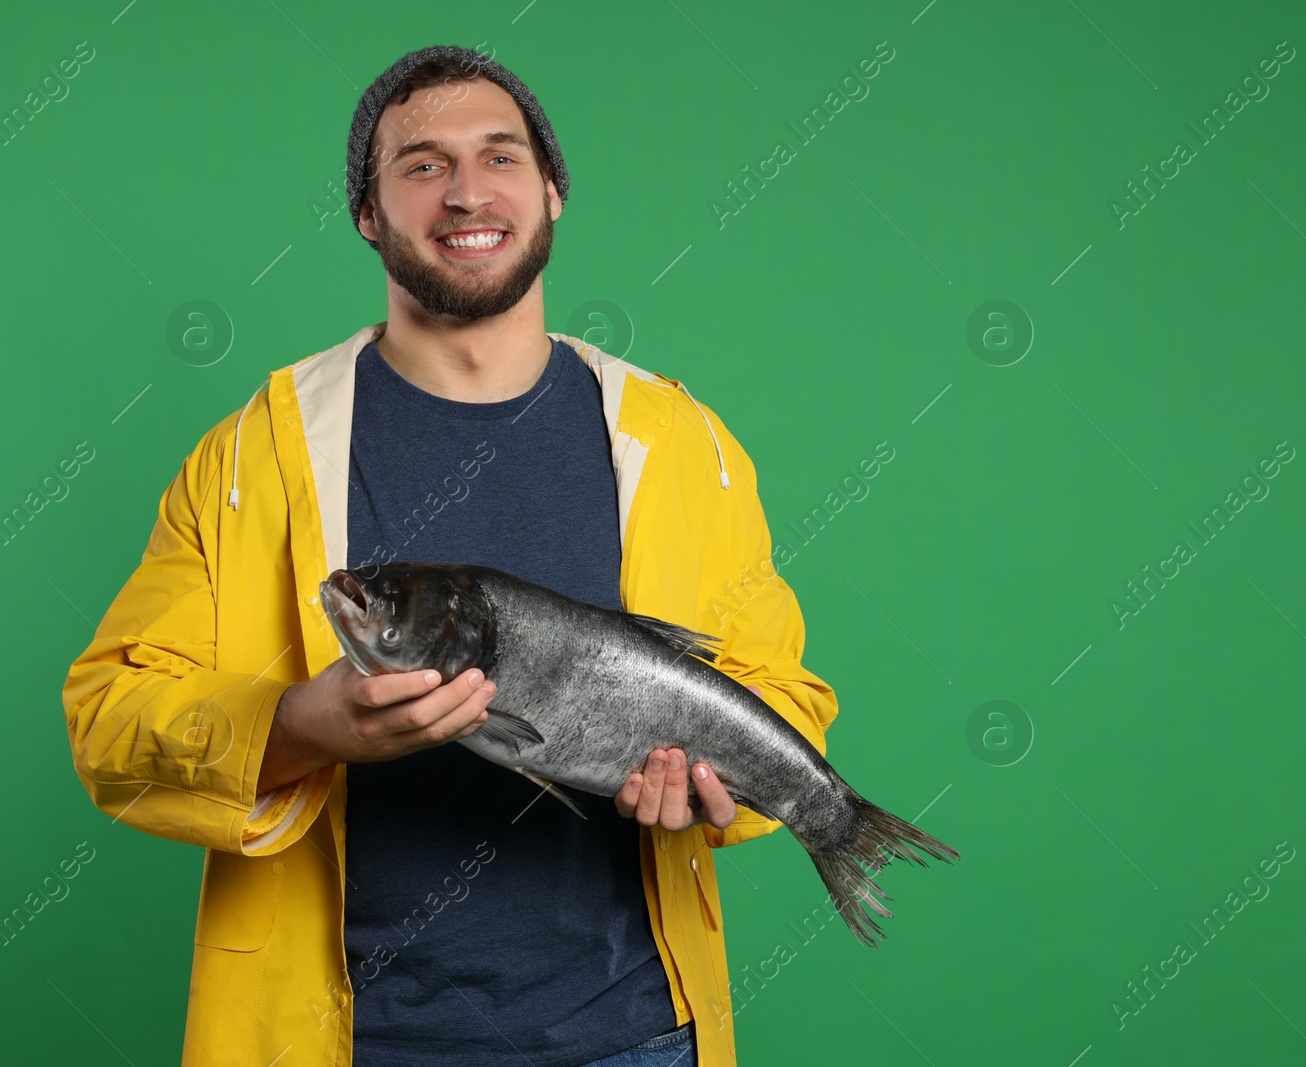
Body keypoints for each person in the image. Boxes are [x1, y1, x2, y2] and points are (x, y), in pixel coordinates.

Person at [61, 43, 838, 1067]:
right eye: (420, 165)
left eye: (500, 157)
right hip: (341, 1042)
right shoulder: (255, 450)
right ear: (367, 214)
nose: (466, 190)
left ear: (553, 191)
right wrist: (298, 726)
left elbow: (775, 686)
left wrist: (707, 790)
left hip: (635, 1034)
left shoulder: (683, 443)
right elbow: (110, 718)